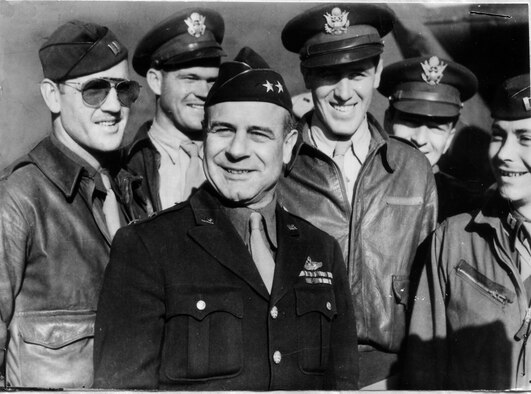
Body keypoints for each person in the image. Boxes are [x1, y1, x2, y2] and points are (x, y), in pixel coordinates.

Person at [93, 47, 358, 390]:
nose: (237, 150)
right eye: (223, 130)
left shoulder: (322, 249)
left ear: (289, 145)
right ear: (203, 140)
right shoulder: (147, 247)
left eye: (259, 134)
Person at [277, 4, 437, 388]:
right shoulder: (277, 166)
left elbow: (429, 295)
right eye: (329, 74)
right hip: (299, 374)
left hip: (391, 375)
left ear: (378, 73)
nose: (344, 93)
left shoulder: (412, 169)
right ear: (306, 74)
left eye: (358, 74)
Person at [0, 20, 146, 388]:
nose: (114, 106)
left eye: (124, 90)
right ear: (52, 95)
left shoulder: (132, 191)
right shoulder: (18, 198)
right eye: (94, 90)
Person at [403, 74, 531, 390]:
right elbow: (424, 369)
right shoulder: (453, 239)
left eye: (525, 138)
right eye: (499, 135)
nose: (504, 153)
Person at [126, 8, 225, 211]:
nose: (204, 93)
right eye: (190, 79)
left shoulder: (234, 154)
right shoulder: (124, 166)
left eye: (212, 81)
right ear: (155, 81)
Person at [378, 55, 484, 222]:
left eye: (435, 127)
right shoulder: (361, 185)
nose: (420, 139)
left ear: (449, 137)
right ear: (388, 121)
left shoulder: (468, 207)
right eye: (410, 121)